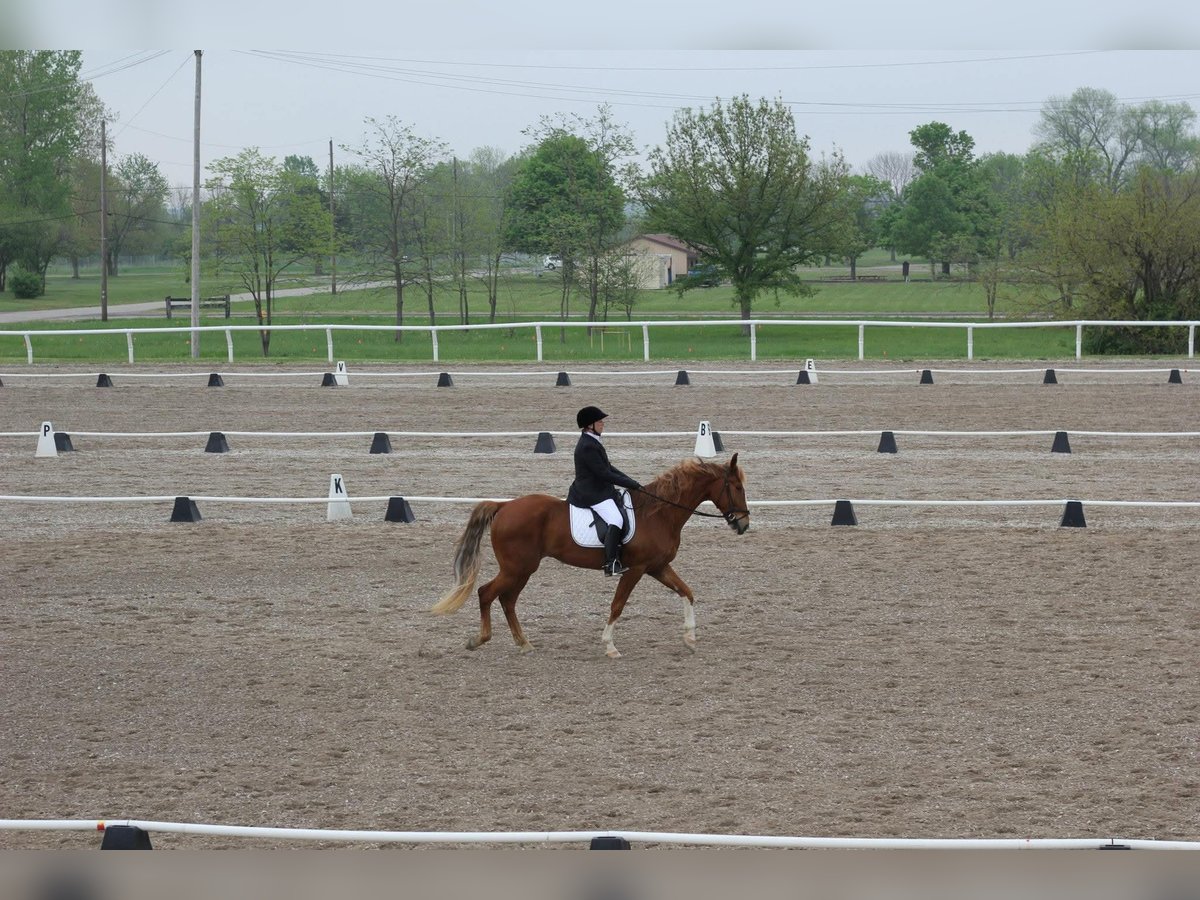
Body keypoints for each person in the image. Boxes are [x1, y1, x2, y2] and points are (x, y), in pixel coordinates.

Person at [567, 406, 642, 576]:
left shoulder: (592, 441)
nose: (603, 424)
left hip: (599, 488)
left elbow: (608, 467)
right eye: (599, 421)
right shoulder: (587, 446)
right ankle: (611, 563)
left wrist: (631, 482)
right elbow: (603, 473)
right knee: (616, 519)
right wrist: (630, 483)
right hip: (591, 493)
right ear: (589, 425)